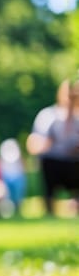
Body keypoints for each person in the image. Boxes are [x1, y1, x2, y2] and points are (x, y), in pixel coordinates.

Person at [25, 76, 79, 216]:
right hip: (52, 161)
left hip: (74, 162)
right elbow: (34, 142)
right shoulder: (48, 116)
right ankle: (49, 207)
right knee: (49, 165)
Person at [0, 137, 26, 216]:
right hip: (8, 176)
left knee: (16, 195)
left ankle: (17, 208)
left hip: (17, 176)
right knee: (8, 195)